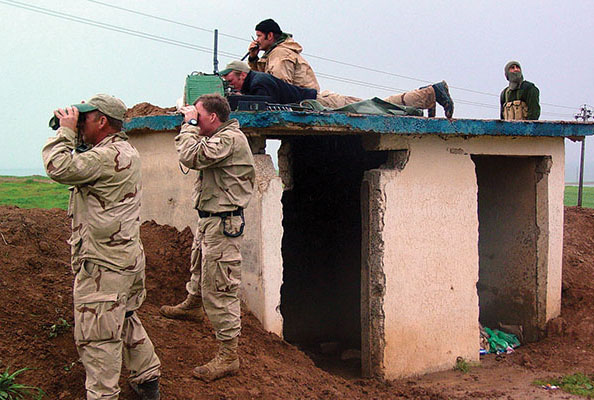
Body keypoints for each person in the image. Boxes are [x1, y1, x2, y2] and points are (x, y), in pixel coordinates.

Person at [42, 94, 161, 400]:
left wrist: (66, 132)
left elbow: (58, 166)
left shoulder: (106, 157)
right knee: (123, 318)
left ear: (102, 121)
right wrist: (77, 132)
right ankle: (147, 378)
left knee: (97, 339)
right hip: (123, 258)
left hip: (103, 264)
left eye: (85, 119)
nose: (80, 124)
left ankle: (103, 395)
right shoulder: (120, 151)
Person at [160, 94, 255, 382]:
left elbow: (191, 156)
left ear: (213, 117)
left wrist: (188, 125)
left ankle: (229, 356)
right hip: (211, 219)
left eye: (199, 115)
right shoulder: (220, 137)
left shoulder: (230, 139)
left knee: (221, 288)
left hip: (224, 222)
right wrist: (190, 120)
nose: (194, 119)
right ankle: (192, 304)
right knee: (200, 266)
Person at [221, 61, 455, 118]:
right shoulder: (257, 79)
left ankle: (430, 94)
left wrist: (238, 99)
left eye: (231, 80)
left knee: (378, 107)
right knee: (378, 104)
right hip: (324, 100)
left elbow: (264, 106)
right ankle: (426, 95)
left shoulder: (259, 82)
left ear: (242, 74)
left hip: (324, 103)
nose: (230, 84)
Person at [247, 18, 320, 91]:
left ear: (270, 36)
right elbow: (262, 80)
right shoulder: (274, 54)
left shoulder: (280, 54)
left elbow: (279, 87)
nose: (256, 40)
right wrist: (253, 58)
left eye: (259, 36)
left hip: (301, 101)